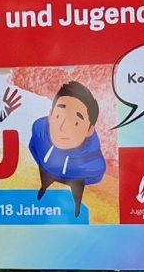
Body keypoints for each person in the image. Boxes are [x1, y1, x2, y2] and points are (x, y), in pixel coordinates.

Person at [27, 79, 107, 216]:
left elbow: (96, 175)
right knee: (43, 186)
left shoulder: (92, 164)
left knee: (76, 201)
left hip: (76, 178)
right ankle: (43, 190)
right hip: (47, 170)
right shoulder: (39, 132)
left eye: (75, 122)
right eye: (59, 116)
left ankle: (77, 209)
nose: (63, 127)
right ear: (51, 115)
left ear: (89, 130)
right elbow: (33, 146)